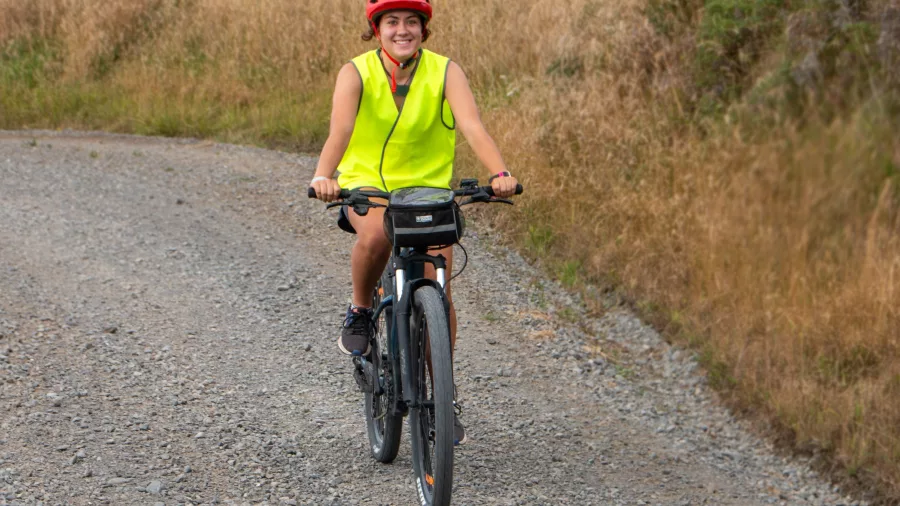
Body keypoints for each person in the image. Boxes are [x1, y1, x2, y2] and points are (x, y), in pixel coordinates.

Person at [309, 0, 518, 445]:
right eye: (392, 22)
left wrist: (499, 174)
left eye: (411, 22)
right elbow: (340, 131)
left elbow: (472, 126)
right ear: (376, 29)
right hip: (369, 187)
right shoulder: (357, 72)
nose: (402, 30)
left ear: (423, 29)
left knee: (439, 291)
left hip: (428, 192)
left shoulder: (445, 71)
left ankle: (444, 396)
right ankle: (361, 310)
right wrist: (323, 176)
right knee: (375, 235)